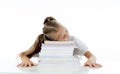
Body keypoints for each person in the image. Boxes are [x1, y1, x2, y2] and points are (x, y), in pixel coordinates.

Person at [17, 16, 102, 68]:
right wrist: (25, 60)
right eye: (63, 37)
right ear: (53, 42)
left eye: (66, 31)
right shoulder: (45, 48)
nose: (67, 36)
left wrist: (91, 60)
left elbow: (91, 56)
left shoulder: (74, 41)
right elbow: (24, 54)